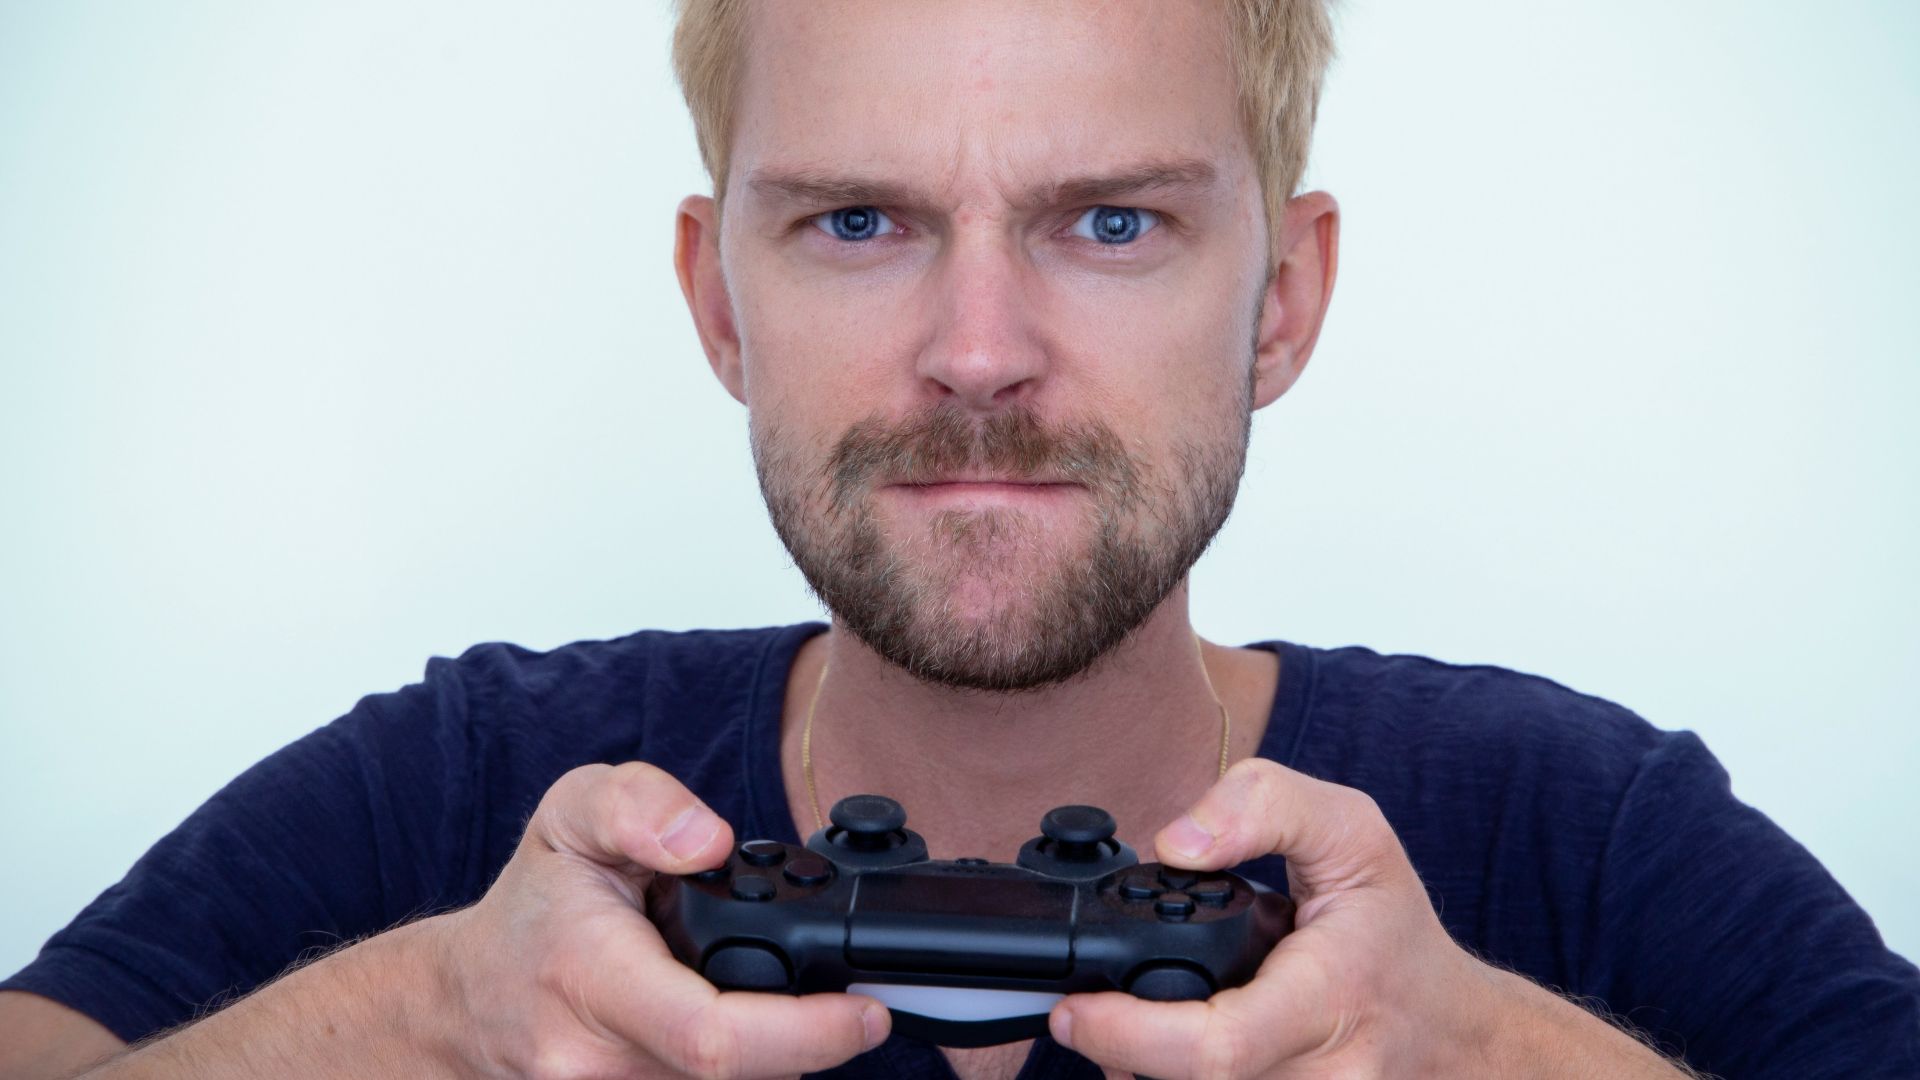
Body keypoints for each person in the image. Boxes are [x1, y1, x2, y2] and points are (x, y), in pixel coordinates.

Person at [2, 1, 1915, 1077]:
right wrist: (423, 1020)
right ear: (719, 301)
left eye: (1110, 224)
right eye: (859, 223)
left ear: (1281, 301)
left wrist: (1496, 1058)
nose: (978, 353)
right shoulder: (455, 800)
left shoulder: (1590, 838)